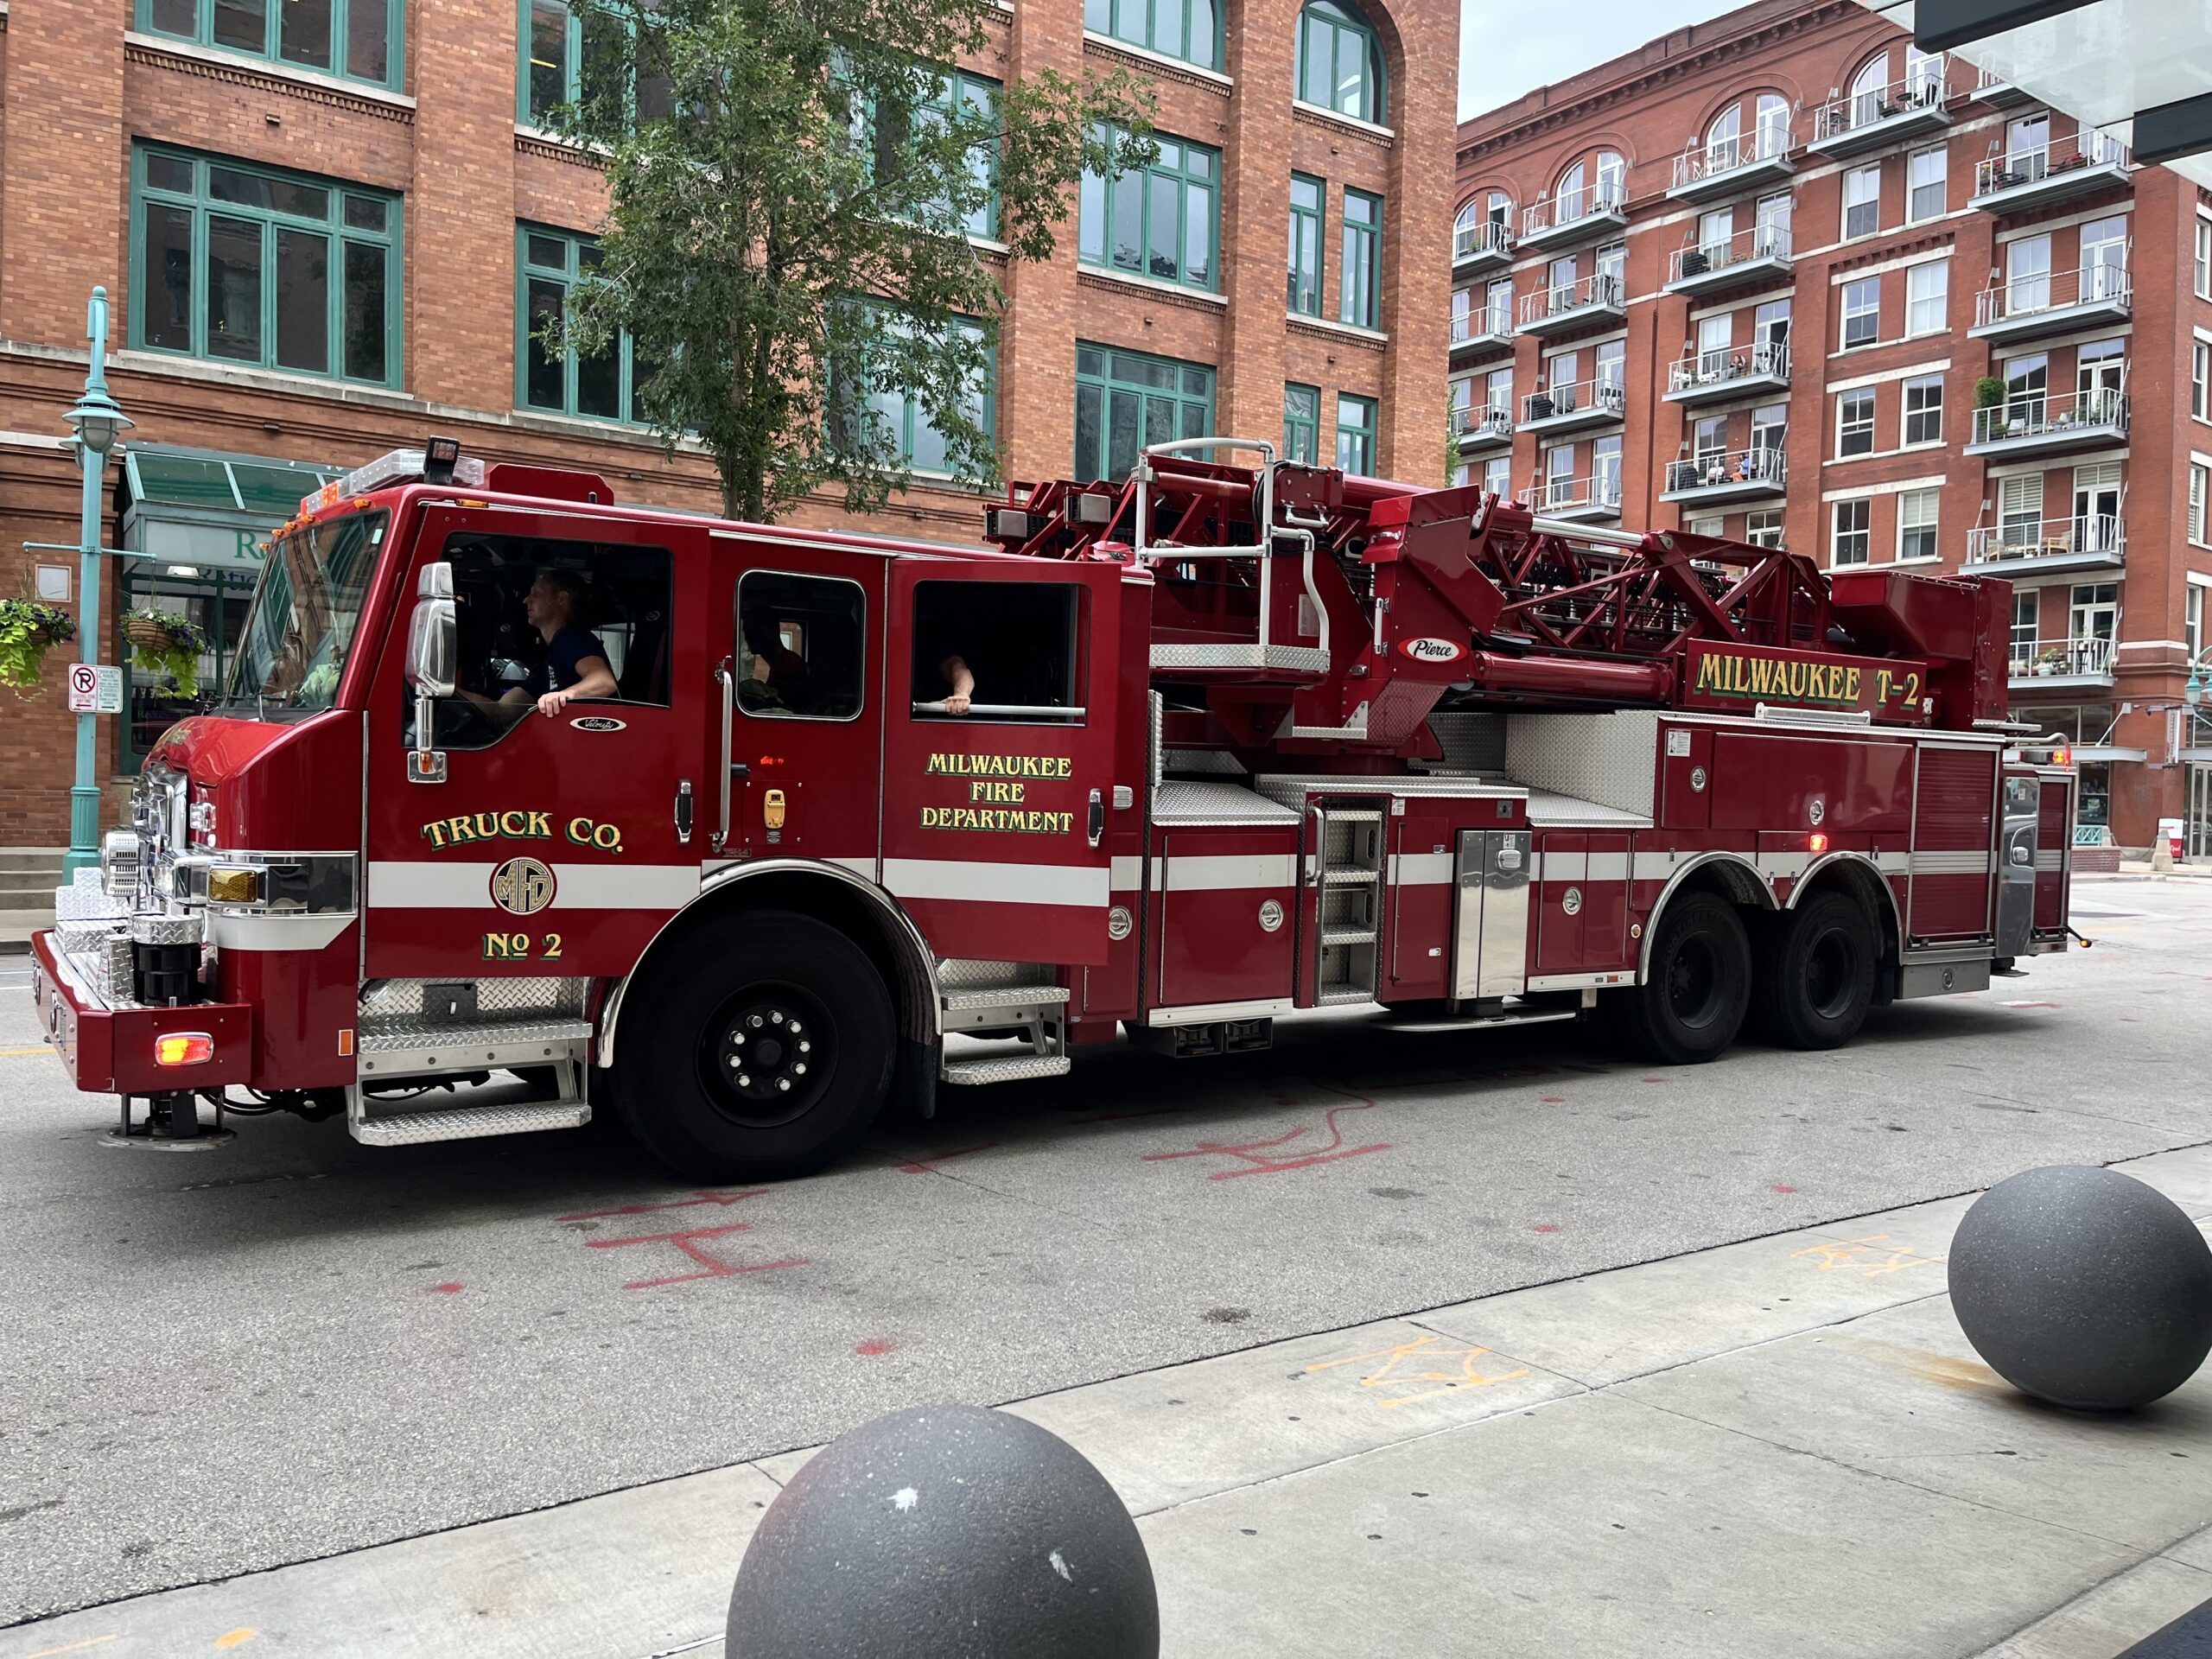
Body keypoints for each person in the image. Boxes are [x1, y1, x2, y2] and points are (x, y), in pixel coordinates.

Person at [506, 569, 616, 718]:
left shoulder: (571, 638)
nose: (526, 600)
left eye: (536, 593)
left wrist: (562, 696)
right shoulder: (551, 655)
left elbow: (604, 681)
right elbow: (502, 710)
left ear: (561, 599)